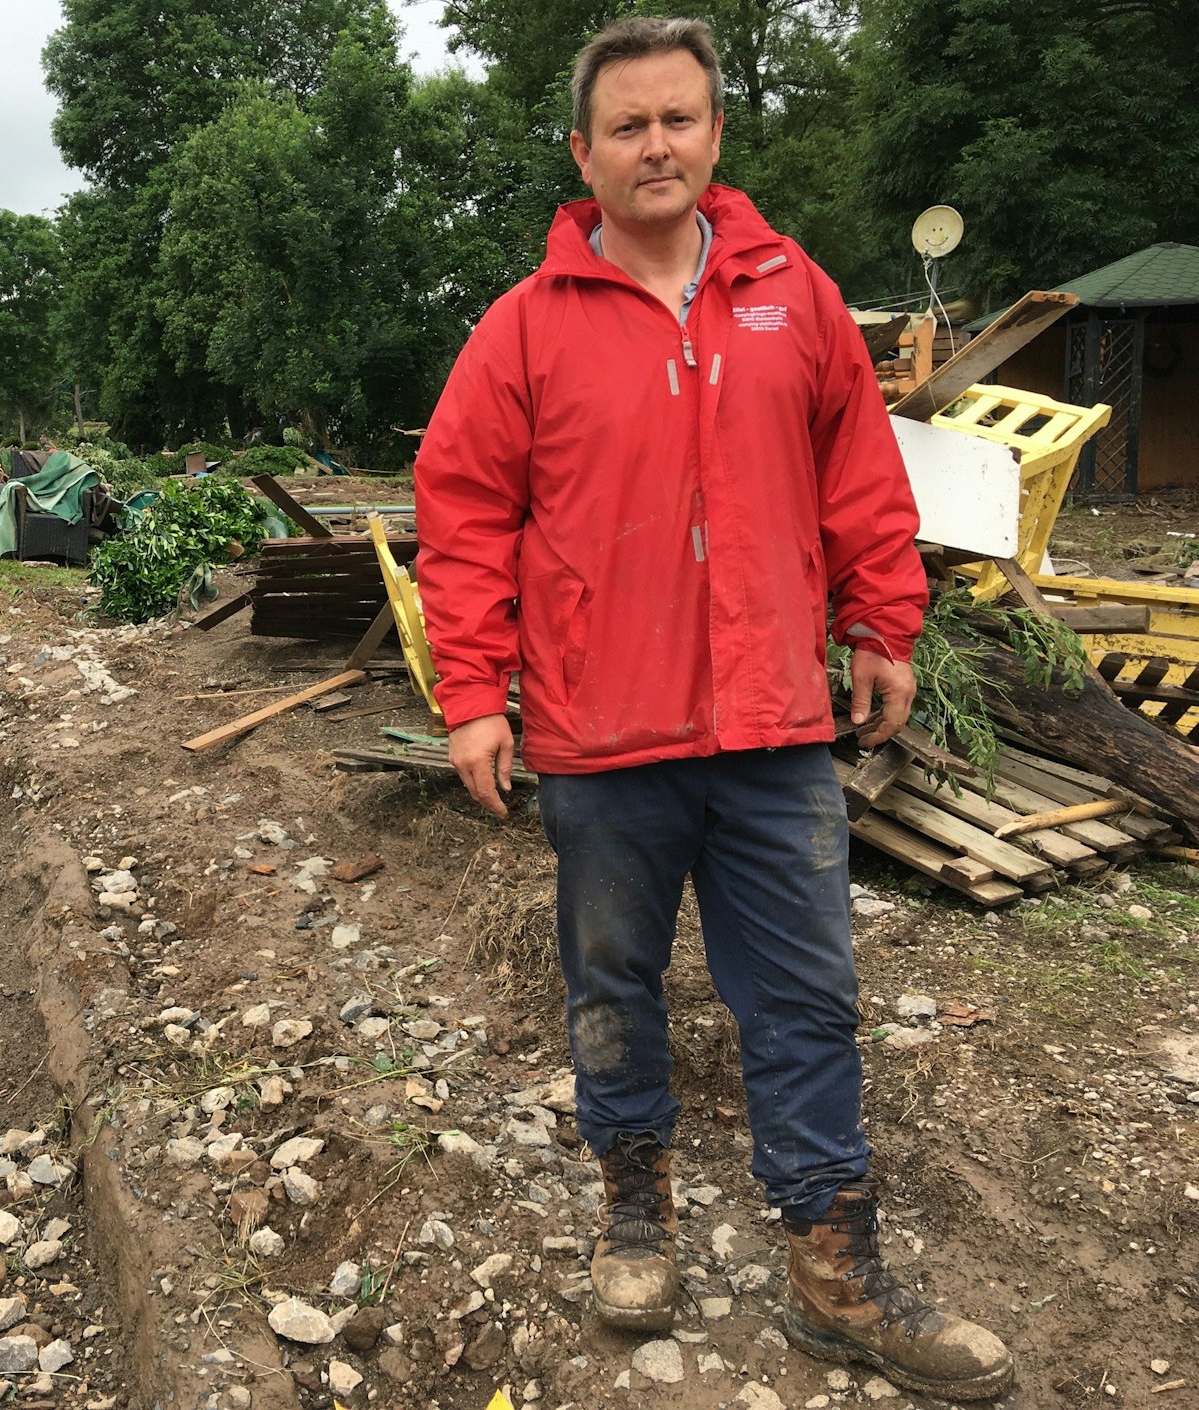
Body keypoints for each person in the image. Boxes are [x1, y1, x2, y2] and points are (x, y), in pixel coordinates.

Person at [412, 16, 1014, 1402]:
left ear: (717, 134)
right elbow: (460, 515)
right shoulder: (524, 330)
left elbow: (862, 474)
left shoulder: (791, 297)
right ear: (584, 151)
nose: (656, 145)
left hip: (769, 733)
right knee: (613, 985)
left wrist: (884, 621)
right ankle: (637, 1201)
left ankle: (833, 1267)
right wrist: (471, 696)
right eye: (627, 125)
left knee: (807, 998)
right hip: (602, 736)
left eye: (679, 118)